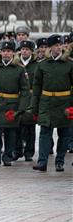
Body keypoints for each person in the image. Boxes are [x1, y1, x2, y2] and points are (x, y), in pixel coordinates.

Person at [0, 40, 30, 167]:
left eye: (8, 51)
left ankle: (7, 156)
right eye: (4, 51)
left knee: (10, 133)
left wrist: (22, 108)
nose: (6, 53)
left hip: (11, 104)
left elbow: (25, 90)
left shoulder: (19, 69)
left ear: (13, 53)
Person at [31, 34, 73, 172]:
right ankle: (42, 162)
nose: (59, 47)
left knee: (64, 133)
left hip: (64, 102)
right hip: (46, 101)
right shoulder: (42, 65)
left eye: (60, 45)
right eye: (55, 45)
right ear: (50, 48)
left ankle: (59, 161)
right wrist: (34, 107)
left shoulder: (69, 64)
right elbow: (37, 87)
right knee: (44, 132)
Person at [13, 40, 38, 162]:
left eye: (27, 49)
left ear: (31, 51)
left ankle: (29, 152)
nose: (24, 51)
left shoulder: (36, 64)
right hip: (18, 98)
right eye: (22, 49)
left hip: (32, 98)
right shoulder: (16, 64)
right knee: (17, 125)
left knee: (30, 127)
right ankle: (17, 150)